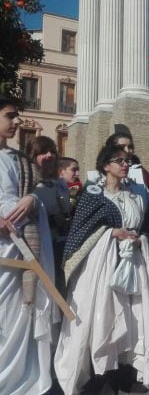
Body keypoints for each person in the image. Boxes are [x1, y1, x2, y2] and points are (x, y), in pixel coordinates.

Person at [55, 144, 149, 393]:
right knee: (103, 315)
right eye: (119, 160)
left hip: (133, 262)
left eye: (127, 160)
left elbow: (143, 226)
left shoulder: (133, 193)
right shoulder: (93, 194)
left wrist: (138, 238)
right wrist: (112, 232)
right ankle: (99, 375)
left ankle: (125, 371)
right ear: (105, 165)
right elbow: (81, 230)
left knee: (133, 317)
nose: (125, 164)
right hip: (102, 266)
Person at [0, 97, 56, 394]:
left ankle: (21, 383)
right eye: (10, 116)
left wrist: (32, 200)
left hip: (22, 249)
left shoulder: (21, 161)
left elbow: (38, 197)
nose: (17, 122)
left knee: (19, 315)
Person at [26, 136, 72, 295]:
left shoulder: (60, 183)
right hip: (39, 243)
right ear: (32, 155)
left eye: (52, 151)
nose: (49, 155)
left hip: (61, 242)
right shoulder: (28, 183)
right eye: (43, 152)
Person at [105, 131, 149, 199]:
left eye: (130, 147)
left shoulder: (143, 172)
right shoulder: (97, 176)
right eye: (122, 146)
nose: (127, 150)